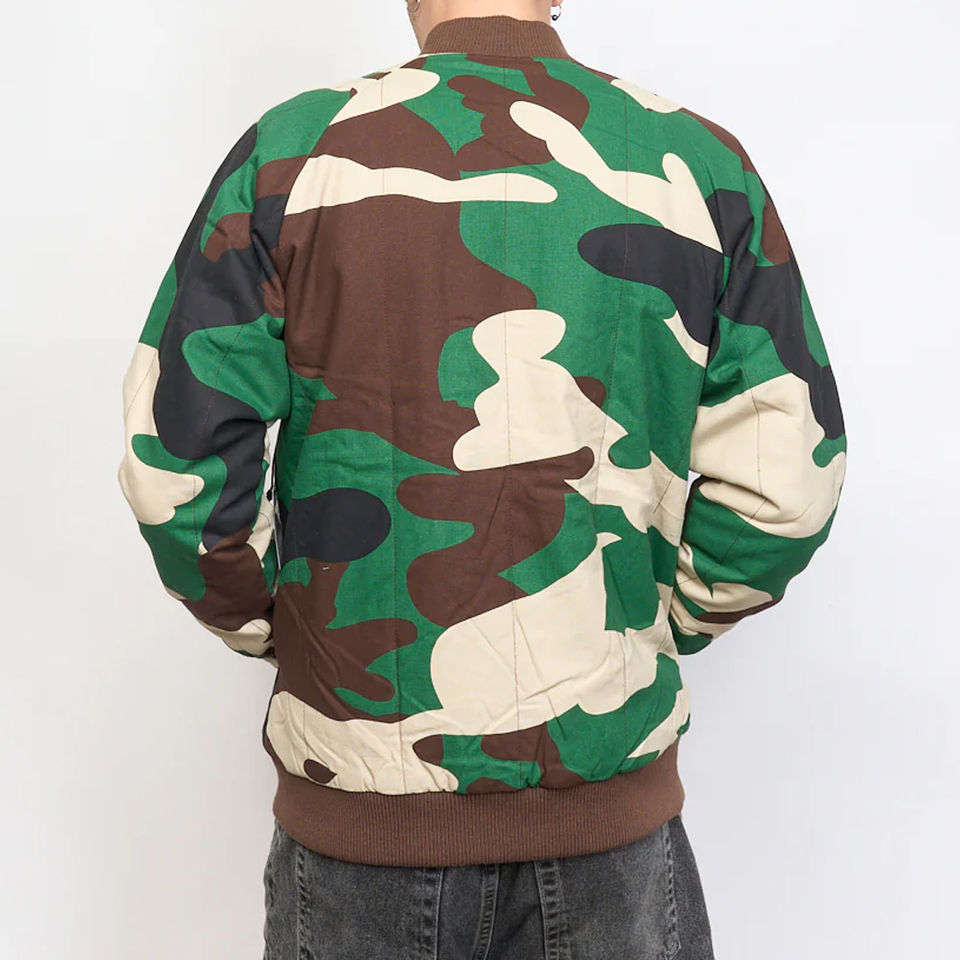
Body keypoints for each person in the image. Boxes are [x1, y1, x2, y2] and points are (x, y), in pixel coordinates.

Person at [117, 0, 847, 956]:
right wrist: (643, 628)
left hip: (362, 828)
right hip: (610, 828)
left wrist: (299, 633)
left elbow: (177, 473)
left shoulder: (290, 156)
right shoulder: (700, 167)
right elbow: (786, 487)